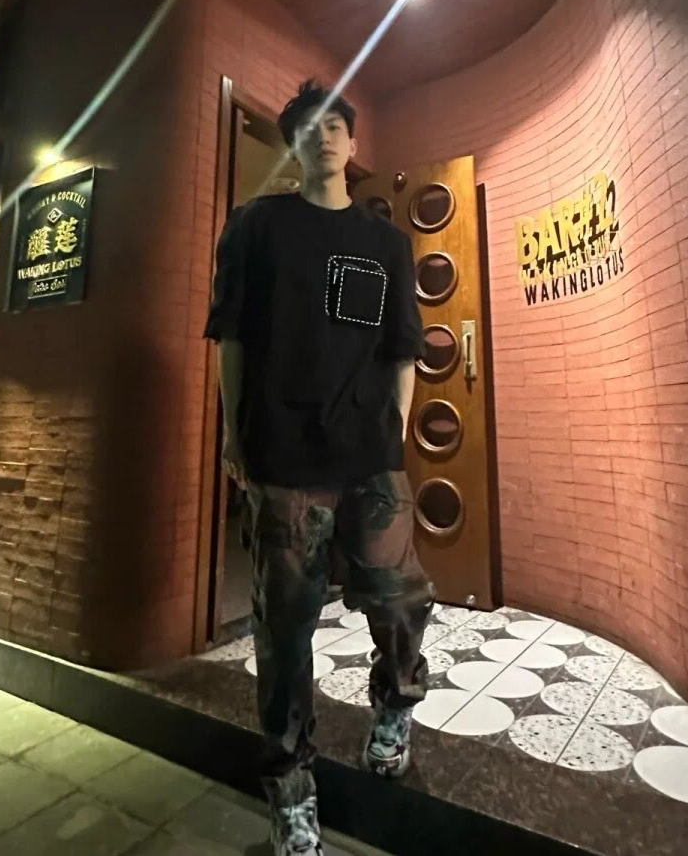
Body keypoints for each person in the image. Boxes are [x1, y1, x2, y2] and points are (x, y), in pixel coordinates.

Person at [204, 79, 435, 856]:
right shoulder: (256, 228)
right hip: (282, 456)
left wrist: (392, 430)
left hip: (370, 457)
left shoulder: (386, 243)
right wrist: (234, 432)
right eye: (310, 126)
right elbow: (232, 337)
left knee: (400, 599)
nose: (325, 134)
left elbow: (403, 349)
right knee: (285, 626)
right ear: (294, 145)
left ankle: (395, 706)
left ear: (353, 144)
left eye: (337, 124)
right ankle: (292, 785)